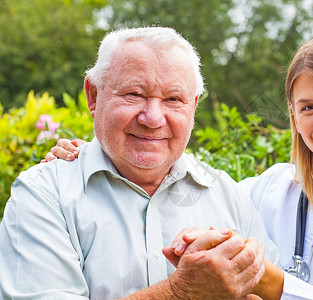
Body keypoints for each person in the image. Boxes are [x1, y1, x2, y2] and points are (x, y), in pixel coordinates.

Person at [49, 35, 313, 299]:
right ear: (292, 116)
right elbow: (172, 186)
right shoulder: (266, 190)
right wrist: (99, 156)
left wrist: (269, 280)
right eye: (308, 107)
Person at [0, 27, 281, 300]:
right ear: (94, 96)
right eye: (134, 94)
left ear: (193, 106)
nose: (153, 118)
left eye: (173, 99)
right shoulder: (44, 196)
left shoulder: (228, 196)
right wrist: (182, 293)